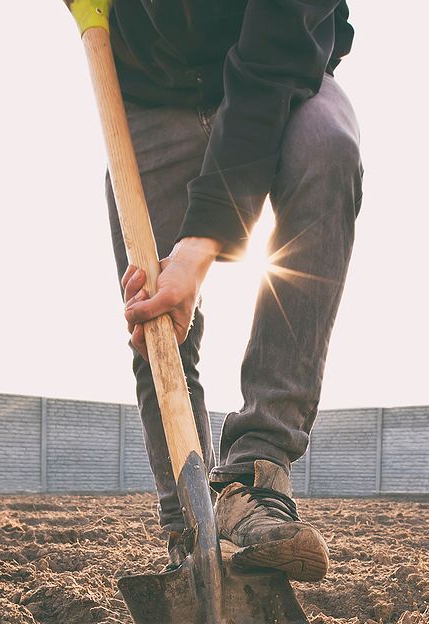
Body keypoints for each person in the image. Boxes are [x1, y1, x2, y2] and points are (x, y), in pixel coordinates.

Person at [103, 1, 360, 583]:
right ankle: (191, 531)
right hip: (150, 91)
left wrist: (202, 243)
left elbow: (272, 51)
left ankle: (255, 472)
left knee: (327, 150)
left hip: (285, 72)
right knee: (155, 311)